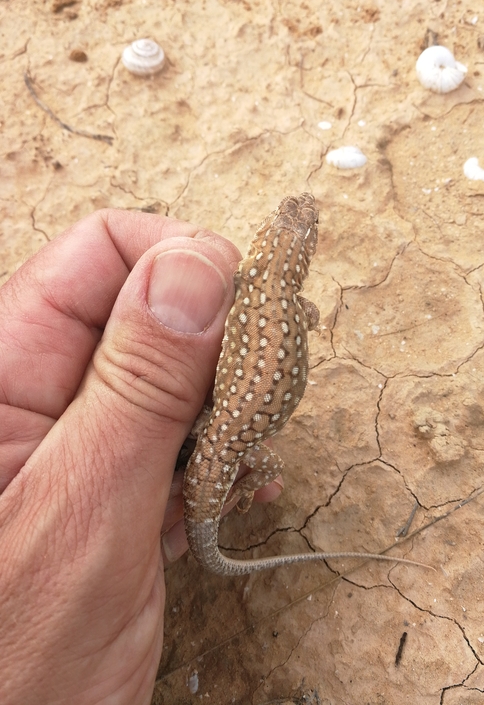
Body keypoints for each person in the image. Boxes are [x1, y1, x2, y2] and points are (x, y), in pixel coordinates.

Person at [0, 210, 283, 705]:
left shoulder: (243, 278)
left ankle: (220, 484)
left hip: (215, 431)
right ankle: (230, 492)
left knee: (205, 435)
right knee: (252, 464)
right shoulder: (284, 300)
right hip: (233, 438)